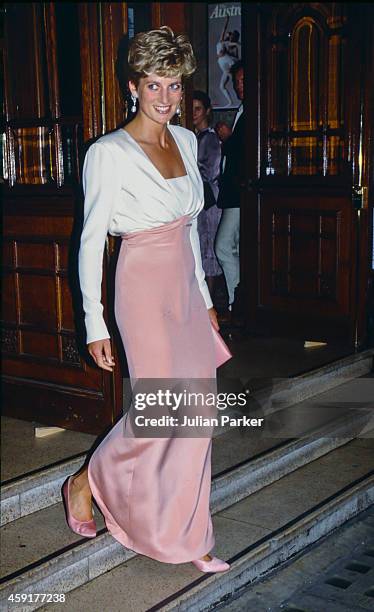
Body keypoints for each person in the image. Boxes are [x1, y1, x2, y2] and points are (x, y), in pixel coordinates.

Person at [62, 27, 231, 574]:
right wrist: (94, 322)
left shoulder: (185, 142)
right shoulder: (107, 153)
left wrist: (204, 296)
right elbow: (90, 244)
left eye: (175, 86)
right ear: (133, 87)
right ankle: (89, 482)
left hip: (184, 285)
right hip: (140, 286)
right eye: (154, 85)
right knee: (161, 412)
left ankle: (190, 534)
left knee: (197, 410)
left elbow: (188, 231)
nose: (166, 98)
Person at [215, 60, 244, 324]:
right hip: (234, 192)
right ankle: (239, 301)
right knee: (231, 247)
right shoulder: (242, 109)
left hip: (240, 193)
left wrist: (228, 138)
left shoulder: (254, 109)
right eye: (235, 82)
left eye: (242, 81)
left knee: (223, 246)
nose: (238, 86)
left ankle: (238, 302)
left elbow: (246, 150)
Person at [192, 90, 222, 301]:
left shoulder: (209, 138)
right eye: (191, 109)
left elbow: (209, 171)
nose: (194, 113)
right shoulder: (194, 137)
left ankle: (210, 299)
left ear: (207, 111)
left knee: (208, 246)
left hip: (210, 199)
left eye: (198, 109)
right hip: (199, 197)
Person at [216, 16, 238, 107]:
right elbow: (224, 29)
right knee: (221, 86)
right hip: (221, 62)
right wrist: (227, 20)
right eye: (227, 34)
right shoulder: (221, 41)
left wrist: (236, 43)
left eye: (229, 35)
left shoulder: (227, 44)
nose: (227, 35)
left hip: (226, 60)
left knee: (234, 78)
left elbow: (235, 45)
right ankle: (230, 102)